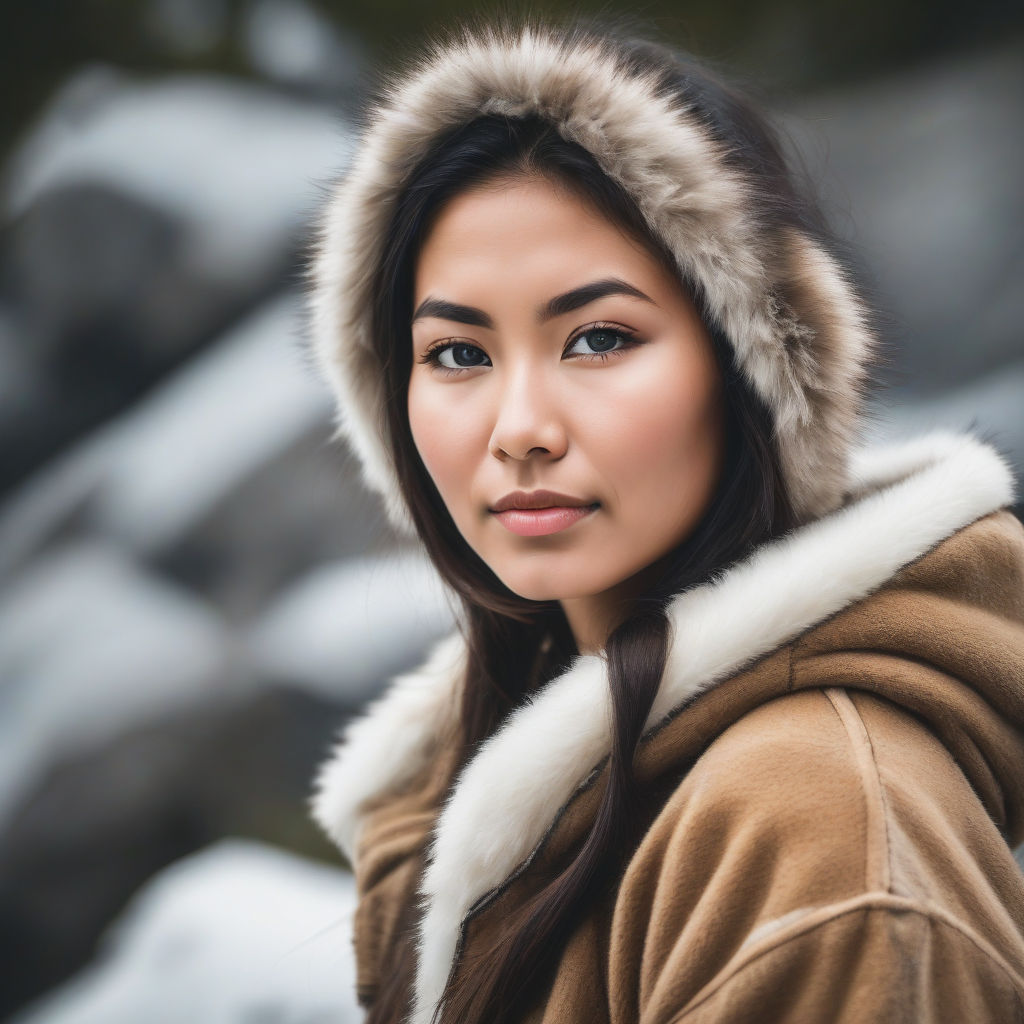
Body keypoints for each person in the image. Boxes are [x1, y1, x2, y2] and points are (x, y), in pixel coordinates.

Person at [305, 17, 1024, 1024]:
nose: (519, 429)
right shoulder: (463, 775)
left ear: (752, 371)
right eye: (458, 353)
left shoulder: (811, 829)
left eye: (598, 338)